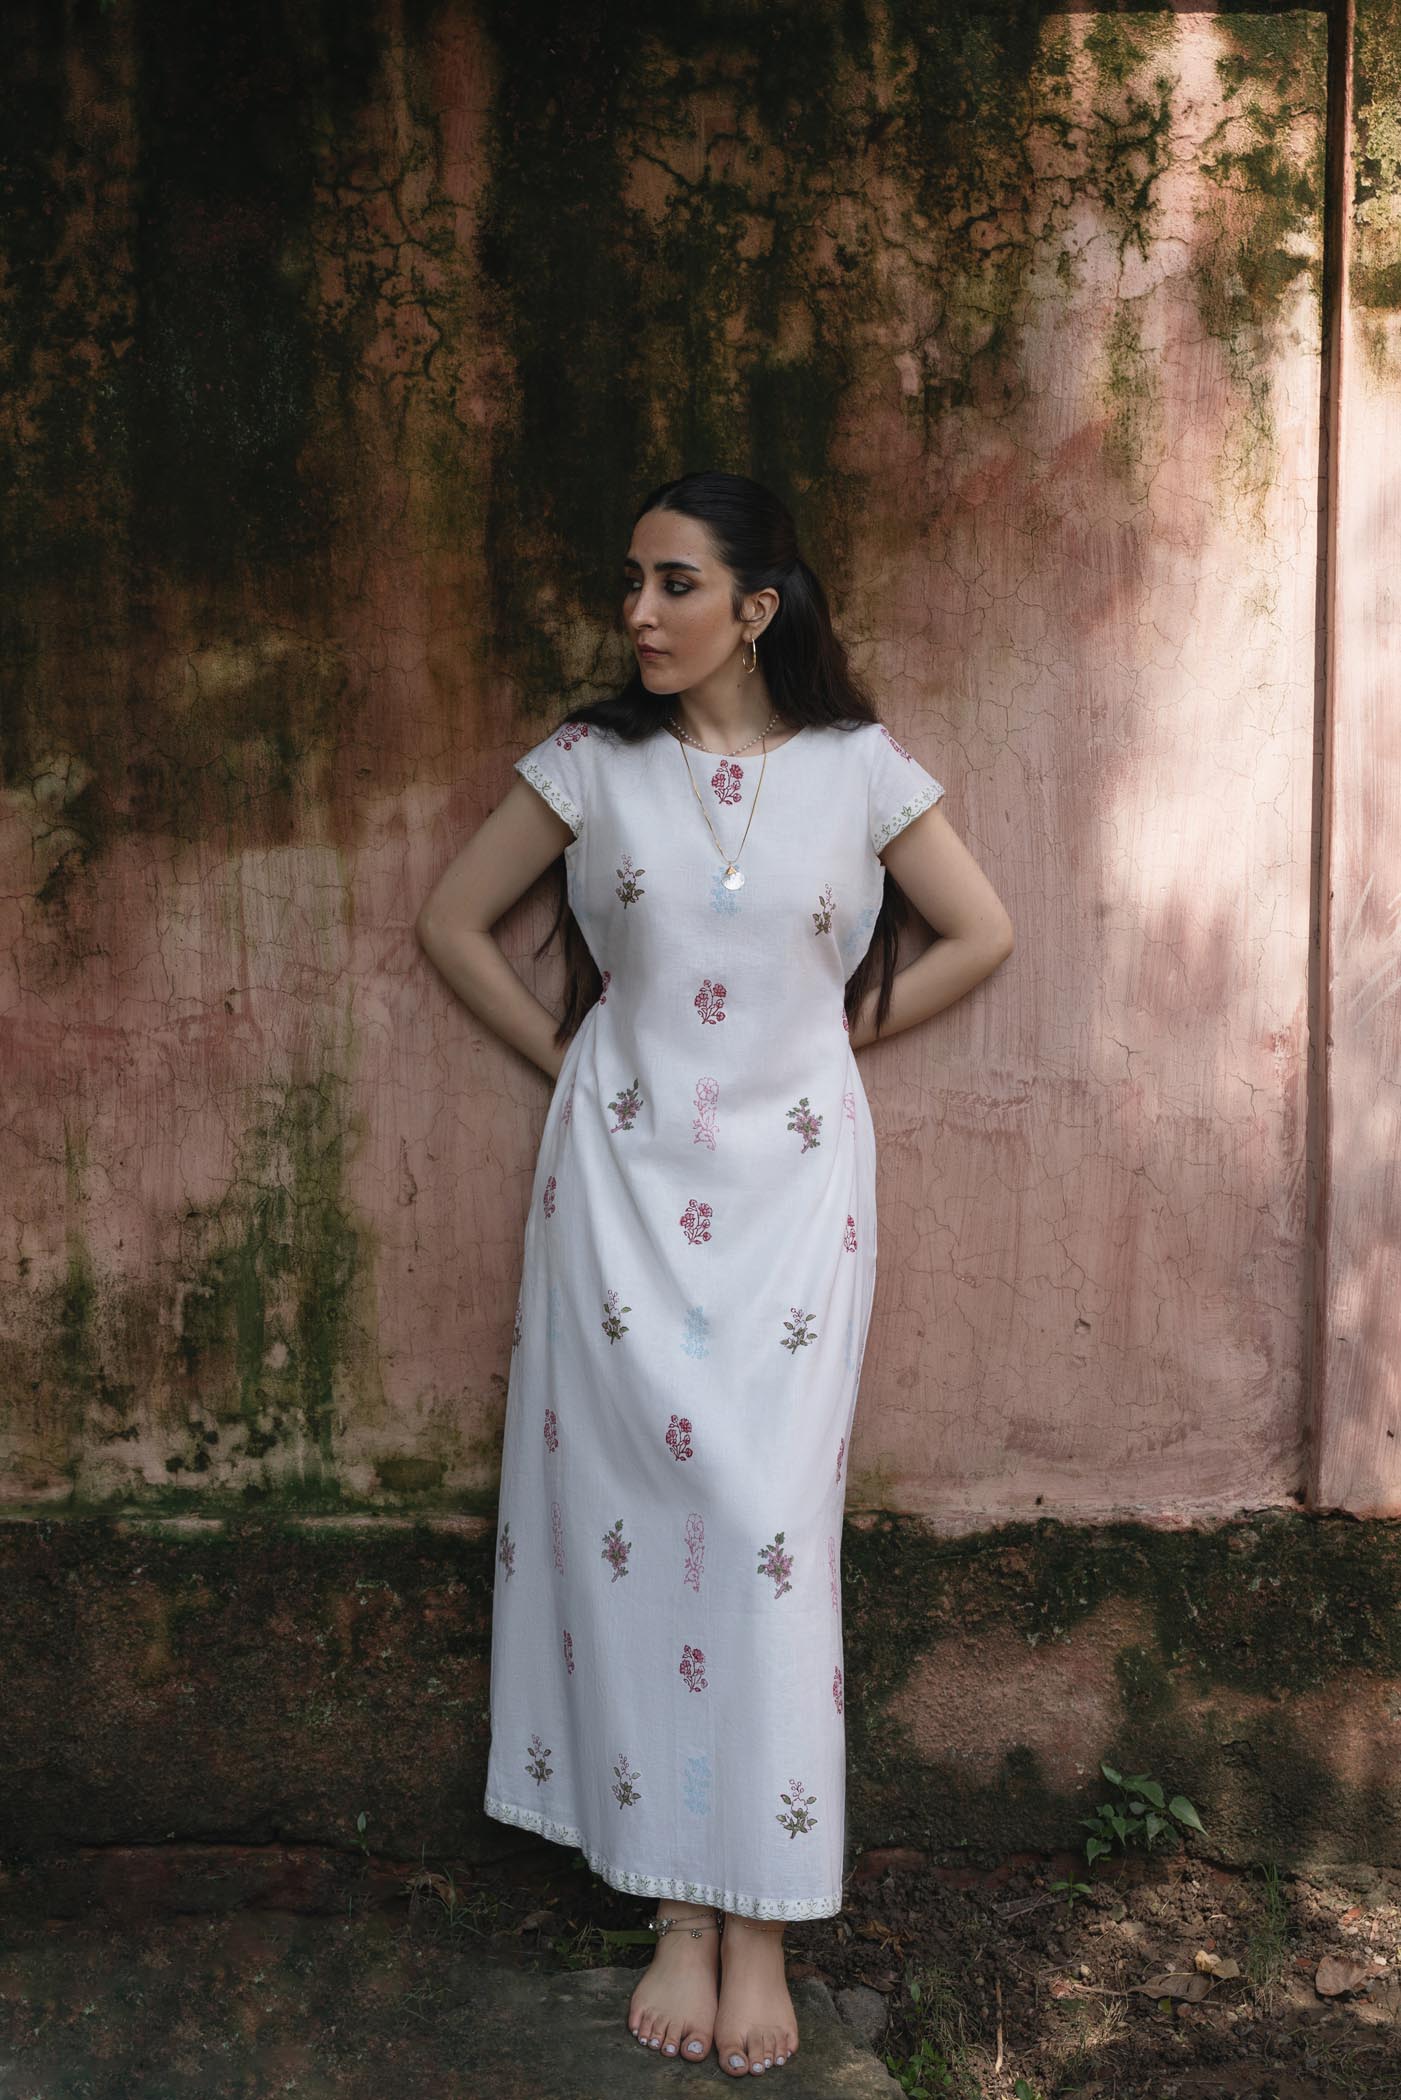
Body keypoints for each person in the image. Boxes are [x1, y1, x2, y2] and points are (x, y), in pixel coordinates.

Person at [415, 470, 1014, 2077]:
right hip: (616, 1189)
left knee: (762, 1525)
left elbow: (980, 931)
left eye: (674, 584)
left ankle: (762, 1921)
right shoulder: (590, 765)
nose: (638, 614)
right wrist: (573, 1056)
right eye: (631, 583)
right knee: (630, 1530)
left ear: (758, 606)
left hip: (792, 1199)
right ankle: (680, 1910)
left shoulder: (860, 771)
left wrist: (823, 1045)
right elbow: (455, 921)